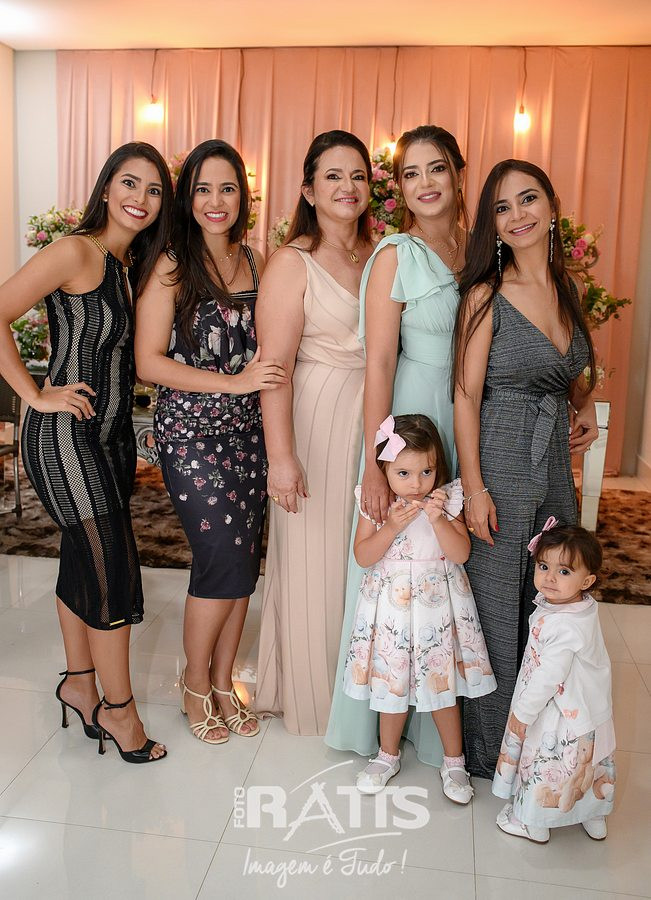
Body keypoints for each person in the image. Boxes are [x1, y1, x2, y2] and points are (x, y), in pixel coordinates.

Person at [0, 142, 173, 763]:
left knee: (83, 556)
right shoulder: (76, 251)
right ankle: (119, 713)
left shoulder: (130, 266)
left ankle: (79, 683)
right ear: (105, 187)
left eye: (154, 190)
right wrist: (34, 394)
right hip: (63, 434)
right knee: (111, 569)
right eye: (129, 183)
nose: (140, 198)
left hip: (112, 439)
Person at [136, 140, 287, 744]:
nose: (216, 201)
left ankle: (225, 682)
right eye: (203, 189)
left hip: (250, 433)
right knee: (221, 555)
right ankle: (194, 682)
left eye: (227, 188)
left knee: (243, 560)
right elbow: (149, 361)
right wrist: (232, 382)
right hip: (191, 435)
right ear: (187, 198)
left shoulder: (256, 259)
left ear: (243, 197)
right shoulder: (171, 265)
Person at [326, 125, 468, 764]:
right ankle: (377, 725)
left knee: (448, 553)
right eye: (411, 173)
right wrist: (376, 464)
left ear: (458, 173)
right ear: (400, 187)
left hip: (469, 412)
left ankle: (448, 723)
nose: (425, 183)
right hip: (411, 410)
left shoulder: (479, 248)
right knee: (392, 561)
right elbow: (379, 363)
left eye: (436, 168)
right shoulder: (394, 254)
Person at [453, 159, 599, 779]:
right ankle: (491, 752)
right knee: (496, 605)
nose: (517, 215)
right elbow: (465, 396)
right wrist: (475, 487)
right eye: (502, 207)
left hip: (554, 468)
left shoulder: (570, 289)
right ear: (492, 224)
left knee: (553, 598)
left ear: (551, 207)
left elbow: (573, 371)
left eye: (528, 199)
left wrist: (583, 405)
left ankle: (543, 743)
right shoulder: (485, 295)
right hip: (501, 459)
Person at [254, 130, 374, 735]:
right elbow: (273, 369)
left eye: (358, 175)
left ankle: (365, 700)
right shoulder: (291, 262)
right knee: (315, 562)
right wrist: (281, 457)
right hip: (316, 420)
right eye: (332, 175)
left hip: (376, 422)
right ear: (308, 190)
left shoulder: (382, 253)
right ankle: (312, 698)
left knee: (364, 563)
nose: (347, 186)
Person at [342, 414, 495, 801]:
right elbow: (363, 556)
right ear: (384, 470)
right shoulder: (376, 503)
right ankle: (386, 755)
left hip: (437, 611)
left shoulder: (448, 499)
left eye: (426, 471)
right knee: (392, 681)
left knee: (442, 684)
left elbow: (460, 553)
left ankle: (454, 762)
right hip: (391, 611)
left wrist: (440, 520)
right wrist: (391, 527)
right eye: (404, 474)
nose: (417, 484)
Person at [493, 520, 615, 843]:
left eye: (563, 572)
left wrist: (523, 713)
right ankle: (593, 815)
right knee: (587, 763)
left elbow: (549, 676)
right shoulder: (581, 608)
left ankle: (534, 823)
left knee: (552, 762)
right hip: (589, 707)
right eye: (544, 566)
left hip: (559, 712)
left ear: (587, 581)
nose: (549, 578)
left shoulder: (564, 627)